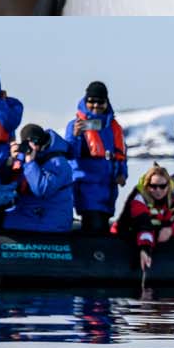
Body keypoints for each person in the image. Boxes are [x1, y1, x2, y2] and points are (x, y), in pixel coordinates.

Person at [70, 81, 129, 234]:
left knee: (102, 225)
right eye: (91, 101)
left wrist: (122, 173)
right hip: (87, 187)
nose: (95, 106)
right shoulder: (76, 126)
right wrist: (75, 137)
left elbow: (121, 154)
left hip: (108, 189)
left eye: (100, 102)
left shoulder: (113, 128)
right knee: (94, 226)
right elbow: (69, 154)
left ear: (106, 102)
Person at [0, 123, 81, 234]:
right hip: (29, 210)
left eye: (35, 142)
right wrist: (11, 161)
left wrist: (30, 162)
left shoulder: (58, 162)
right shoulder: (31, 155)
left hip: (49, 217)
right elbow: (6, 181)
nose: (34, 147)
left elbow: (42, 189)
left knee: (2, 223)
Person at [117, 164, 174, 271]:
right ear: (147, 186)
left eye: (162, 186)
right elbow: (143, 225)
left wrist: (171, 230)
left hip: (161, 234)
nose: (158, 190)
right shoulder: (139, 198)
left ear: (168, 185)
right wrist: (145, 248)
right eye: (153, 186)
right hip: (130, 235)